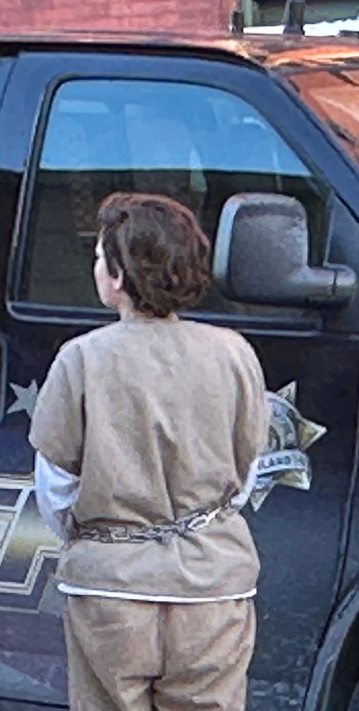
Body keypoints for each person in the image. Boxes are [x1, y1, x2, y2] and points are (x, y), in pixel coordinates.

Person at [29, 191, 270, 711]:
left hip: (109, 589)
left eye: (99, 256)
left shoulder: (80, 359)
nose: (95, 266)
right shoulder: (235, 354)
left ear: (116, 277)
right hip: (214, 585)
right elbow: (248, 474)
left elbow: (54, 484)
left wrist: (99, 540)